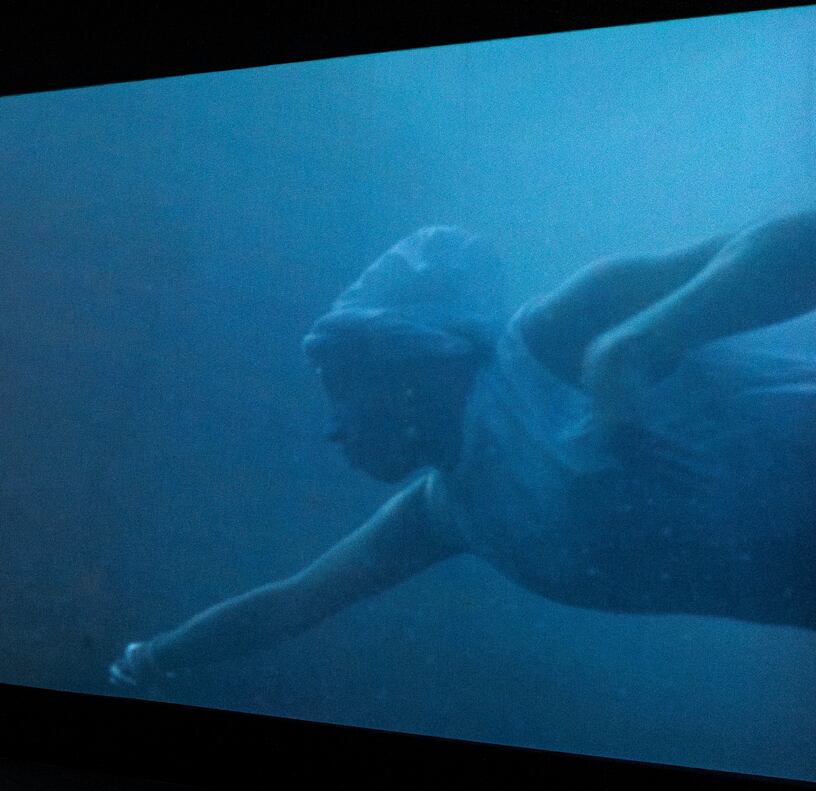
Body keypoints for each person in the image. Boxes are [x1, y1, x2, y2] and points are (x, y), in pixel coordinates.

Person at [111, 216, 816, 693]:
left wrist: (636, 345)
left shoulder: (554, 337)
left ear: (408, 362)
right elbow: (290, 604)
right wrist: (147, 661)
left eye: (341, 387)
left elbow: (801, 236)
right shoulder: (448, 512)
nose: (333, 429)